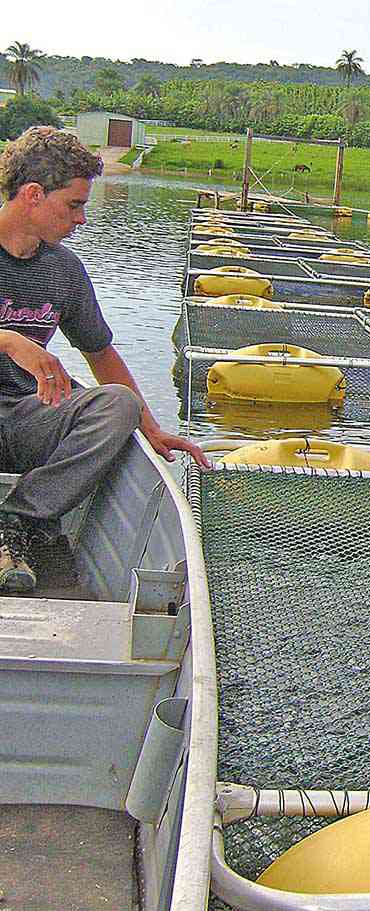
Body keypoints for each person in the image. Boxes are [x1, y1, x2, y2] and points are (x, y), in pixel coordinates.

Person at [0, 126, 208, 594]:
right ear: (33, 195)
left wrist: (151, 430)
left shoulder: (63, 269)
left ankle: (23, 518)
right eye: (74, 205)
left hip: (23, 417)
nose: (82, 219)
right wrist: (9, 341)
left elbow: (102, 354)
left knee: (116, 403)